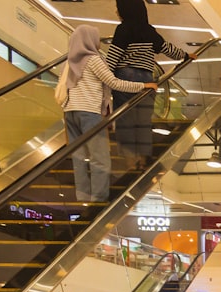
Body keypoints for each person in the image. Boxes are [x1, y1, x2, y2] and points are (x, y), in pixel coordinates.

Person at [62, 25, 157, 202]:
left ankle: (82, 196)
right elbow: (114, 82)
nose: (98, 42)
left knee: (79, 157)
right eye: (96, 38)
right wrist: (143, 85)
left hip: (70, 113)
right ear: (90, 39)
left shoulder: (69, 61)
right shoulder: (93, 60)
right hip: (89, 113)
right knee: (100, 159)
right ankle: (98, 199)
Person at [107, 0, 192, 169]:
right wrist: (186, 55)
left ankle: (131, 163)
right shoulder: (149, 30)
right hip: (147, 79)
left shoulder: (123, 29)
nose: (117, 12)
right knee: (143, 121)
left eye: (119, 8)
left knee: (125, 120)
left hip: (126, 76)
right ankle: (143, 160)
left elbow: (112, 58)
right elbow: (168, 49)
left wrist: (104, 77)